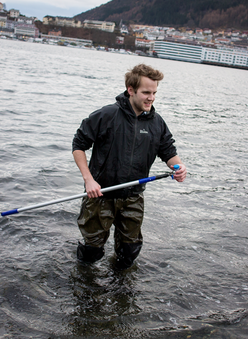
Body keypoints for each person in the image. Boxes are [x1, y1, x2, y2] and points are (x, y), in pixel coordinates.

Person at [72, 63, 187, 270]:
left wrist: (178, 167)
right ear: (131, 90)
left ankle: (121, 289)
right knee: (92, 252)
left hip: (133, 197)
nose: (151, 98)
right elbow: (78, 145)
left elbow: (168, 151)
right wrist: (88, 179)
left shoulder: (157, 122)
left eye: (154, 93)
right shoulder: (107, 115)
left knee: (129, 254)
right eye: (146, 92)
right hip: (100, 195)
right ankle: (84, 286)